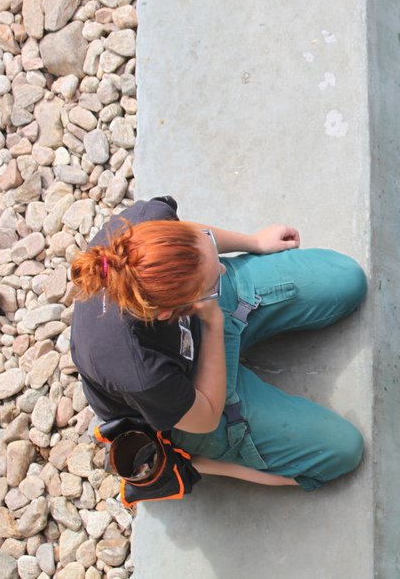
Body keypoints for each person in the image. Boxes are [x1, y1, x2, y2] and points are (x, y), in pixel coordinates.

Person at [69, 196, 366, 491]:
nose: (223, 270)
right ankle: (200, 461)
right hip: (190, 397)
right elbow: (206, 417)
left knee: (347, 280)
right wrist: (213, 322)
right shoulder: (138, 371)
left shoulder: (144, 225)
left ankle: (210, 286)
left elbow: (197, 238)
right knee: (343, 449)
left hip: (201, 303)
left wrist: (254, 242)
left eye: (213, 262)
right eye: (214, 279)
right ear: (168, 313)